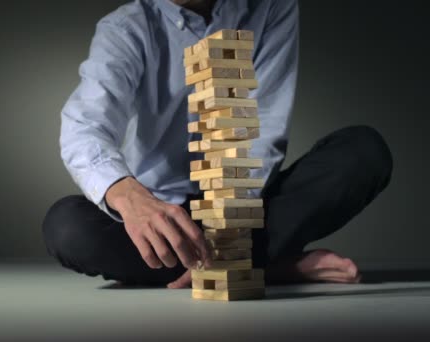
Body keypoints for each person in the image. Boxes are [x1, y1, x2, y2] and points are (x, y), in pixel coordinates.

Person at [42, 0, 392, 288]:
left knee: (363, 152)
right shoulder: (127, 27)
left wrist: (228, 224)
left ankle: (224, 263)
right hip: (162, 212)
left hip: (246, 202)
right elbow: (85, 126)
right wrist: (130, 197)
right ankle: (267, 268)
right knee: (67, 227)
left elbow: (264, 126)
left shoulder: (270, 8)